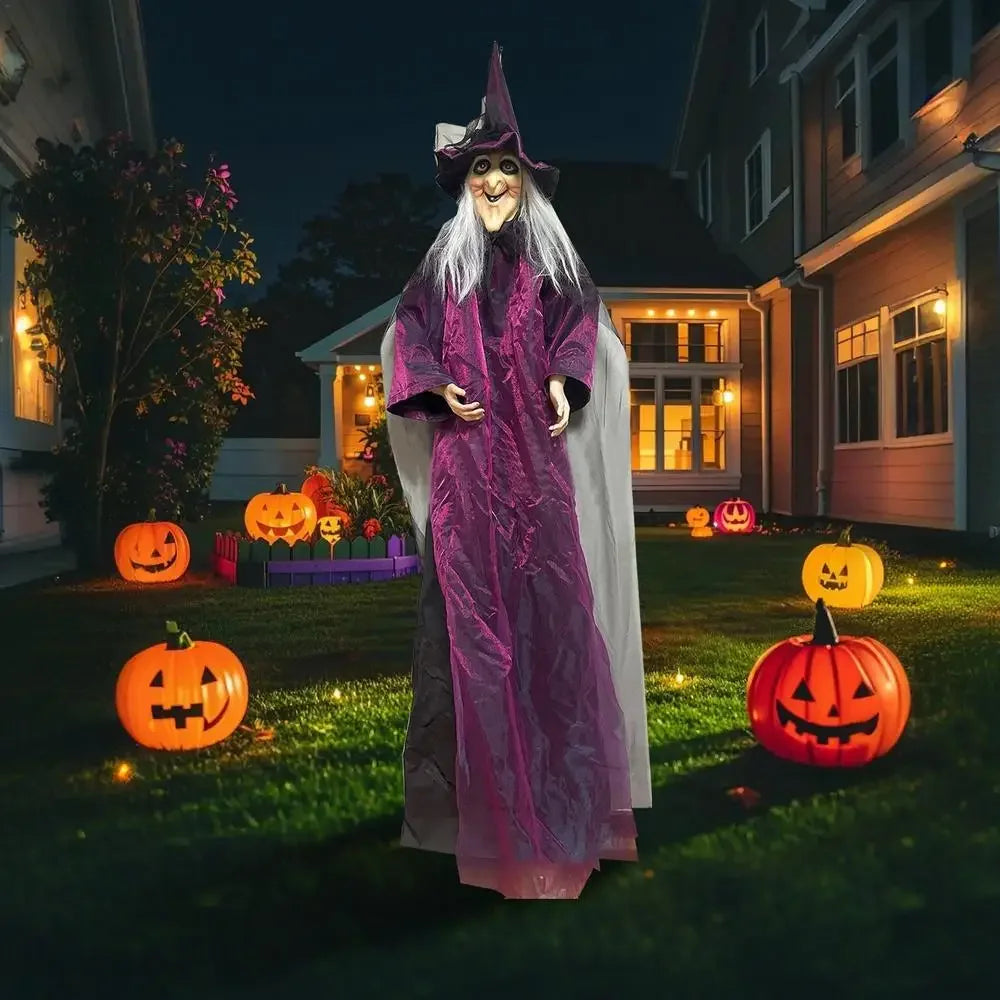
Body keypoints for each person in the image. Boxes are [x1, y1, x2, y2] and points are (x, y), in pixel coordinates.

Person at [380, 42, 651, 900]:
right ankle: (489, 822)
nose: (493, 182)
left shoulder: (553, 268)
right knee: (477, 649)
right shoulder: (440, 271)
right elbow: (409, 338)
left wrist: (568, 386)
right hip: (467, 481)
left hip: (537, 477)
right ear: (464, 185)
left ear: (525, 183)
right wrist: (436, 386)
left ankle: (564, 810)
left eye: (506, 169)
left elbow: (581, 330)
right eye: (481, 170)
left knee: (551, 632)